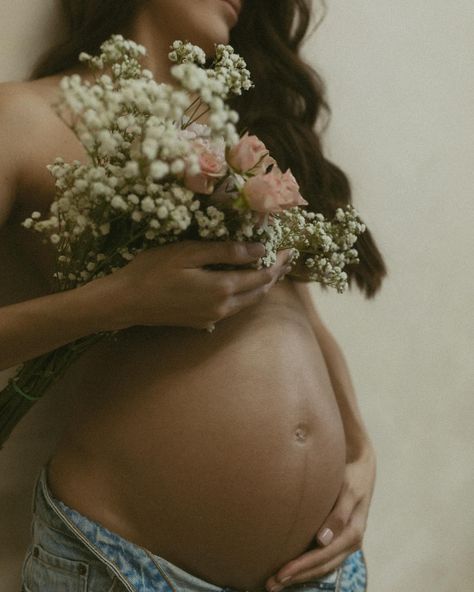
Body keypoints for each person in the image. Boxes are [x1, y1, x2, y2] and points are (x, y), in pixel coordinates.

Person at [0, 1, 387, 591]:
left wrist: (361, 453)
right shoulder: (21, 118)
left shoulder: (235, 137)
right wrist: (121, 299)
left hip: (322, 572)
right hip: (123, 566)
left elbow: (296, 312)